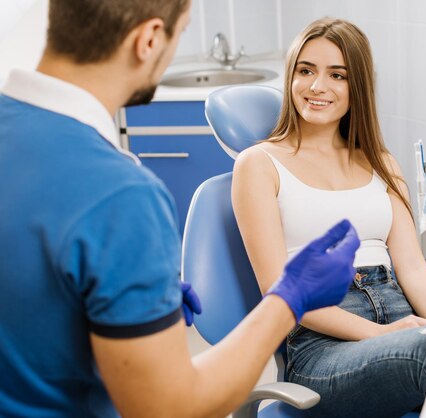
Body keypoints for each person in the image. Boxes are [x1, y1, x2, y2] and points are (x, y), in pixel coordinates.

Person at [0, 2, 360, 417]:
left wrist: (119, 305)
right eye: (180, 34)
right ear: (149, 39)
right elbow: (169, 407)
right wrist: (290, 298)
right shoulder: (119, 194)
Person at [232, 17, 426, 418]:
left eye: (337, 75)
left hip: (402, 316)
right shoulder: (259, 164)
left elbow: (412, 268)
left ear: (356, 86)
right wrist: (386, 334)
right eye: (305, 71)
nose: (316, 86)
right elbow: (283, 294)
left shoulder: (381, 162)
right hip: (322, 347)